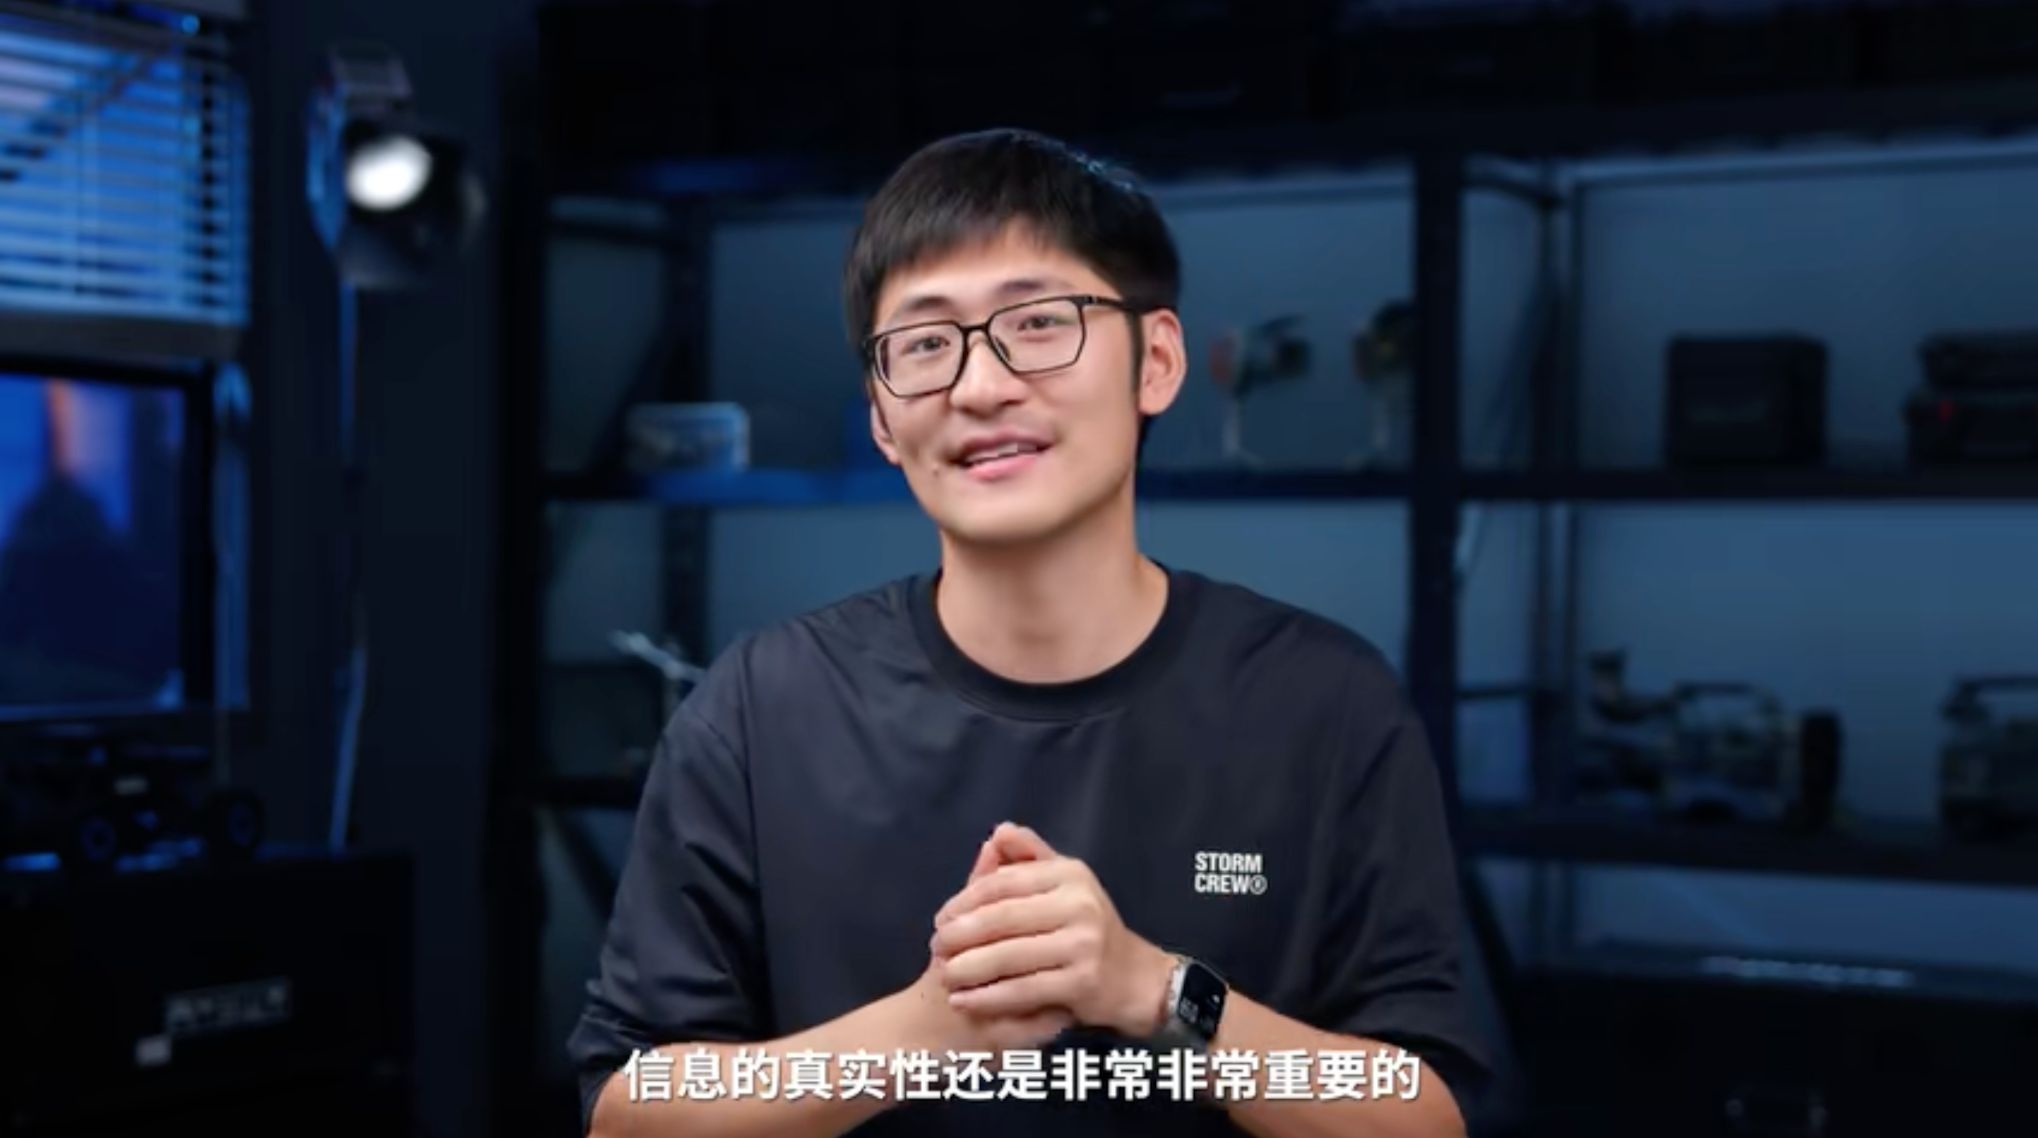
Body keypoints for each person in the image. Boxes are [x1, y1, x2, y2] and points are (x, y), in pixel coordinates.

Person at [568, 128, 1490, 1138]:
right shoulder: (759, 708)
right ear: (881, 418)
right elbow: (628, 1109)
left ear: (1157, 361)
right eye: (925, 344)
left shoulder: (1325, 703)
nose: (979, 386)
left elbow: (1428, 1116)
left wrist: (1156, 991)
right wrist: (924, 1030)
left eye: (1039, 323)